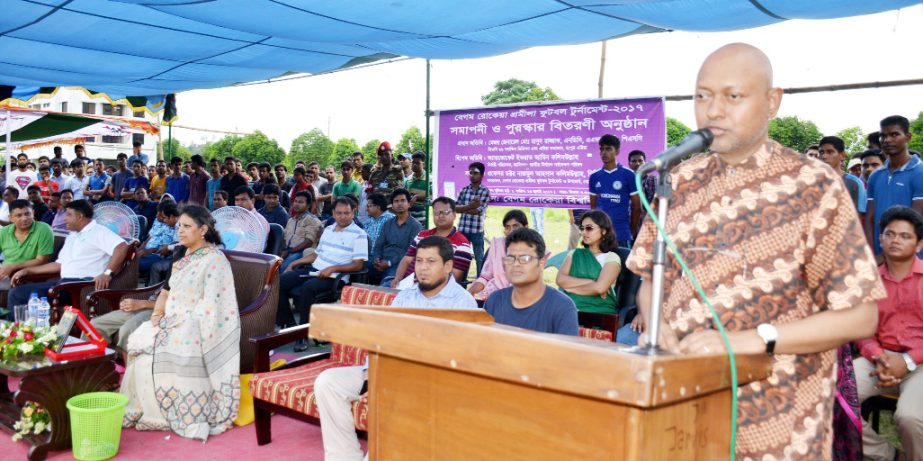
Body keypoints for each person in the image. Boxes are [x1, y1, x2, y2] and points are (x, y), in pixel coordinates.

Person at [625, 43, 883, 459]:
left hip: (778, 426)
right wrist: (659, 324)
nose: (712, 111)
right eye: (702, 95)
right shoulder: (680, 182)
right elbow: (650, 280)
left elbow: (860, 314)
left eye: (733, 96)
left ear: (772, 101)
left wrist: (748, 340)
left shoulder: (813, 185)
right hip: (682, 415)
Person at [315, 235, 477, 461]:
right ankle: (344, 456)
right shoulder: (405, 298)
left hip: (430, 383)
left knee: (396, 394)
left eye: (431, 262)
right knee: (328, 382)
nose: (422, 268)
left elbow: (456, 359)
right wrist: (370, 370)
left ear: (448, 266)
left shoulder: (462, 304)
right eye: (419, 261)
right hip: (387, 371)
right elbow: (385, 339)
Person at [121, 205, 239, 440]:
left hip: (195, 325)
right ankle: (148, 411)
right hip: (172, 320)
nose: (180, 232)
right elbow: (167, 292)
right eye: (179, 227)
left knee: (154, 355)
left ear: (203, 229)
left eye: (186, 226)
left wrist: (181, 323)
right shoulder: (182, 256)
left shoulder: (215, 260)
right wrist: (157, 316)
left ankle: (171, 413)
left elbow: (214, 307)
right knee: (139, 344)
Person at [854, 206, 923, 461]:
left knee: (910, 416)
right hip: (879, 359)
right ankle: (884, 453)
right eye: (890, 234)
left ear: (919, 244)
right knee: (829, 394)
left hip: (920, 363)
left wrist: (906, 362)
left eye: (905, 236)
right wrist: (879, 356)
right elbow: (860, 328)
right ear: (880, 238)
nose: (895, 240)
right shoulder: (869, 280)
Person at [277, 197, 368, 350]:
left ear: (354, 212)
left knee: (308, 288)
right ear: (333, 212)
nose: (342, 216)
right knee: (279, 282)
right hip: (314, 269)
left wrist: (333, 269)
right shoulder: (328, 229)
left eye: (347, 213)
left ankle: (302, 335)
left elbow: (358, 265)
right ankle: (290, 325)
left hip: (334, 277)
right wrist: (295, 262)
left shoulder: (359, 234)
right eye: (339, 213)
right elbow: (316, 255)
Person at [10, 200, 131, 307]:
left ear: (80, 216)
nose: (64, 218)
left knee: (39, 296)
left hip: (82, 285)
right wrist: (27, 270)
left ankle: (41, 331)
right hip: (63, 283)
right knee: (16, 293)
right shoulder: (73, 235)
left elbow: (121, 246)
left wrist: (107, 273)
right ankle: (18, 331)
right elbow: (59, 264)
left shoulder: (98, 231)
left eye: (68, 215)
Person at [485, 228, 579, 335]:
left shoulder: (562, 307)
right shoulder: (494, 301)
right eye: (510, 258)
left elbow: (567, 351)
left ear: (542, 263)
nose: (516, 264)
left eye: (525, 258)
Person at [865, 115, 923, 256]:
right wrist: (872, 255)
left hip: (912, 260)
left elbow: (916, 220)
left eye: (894, 134)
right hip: (880, 259)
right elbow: (870, 219)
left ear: (908, 137)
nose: (887, 140)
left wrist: (886, 257)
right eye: (883, 136)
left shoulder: (919, 172)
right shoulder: (875, 176)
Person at [392, 197, 472, 289]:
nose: (441, 216)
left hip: (433, 290)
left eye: (445, 212)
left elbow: (453, 278)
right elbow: (407, 260)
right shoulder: (422, 235)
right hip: (406, 284)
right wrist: (397, 279)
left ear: (454, 215)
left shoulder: (462, 244)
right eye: (436, 213)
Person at [556, 210, 621, 315]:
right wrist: (592, 282)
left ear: (604, 231)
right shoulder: (574, 254)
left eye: (589, 228)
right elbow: (560, 279)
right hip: (570, 310)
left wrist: (570, 289)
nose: (583, 232)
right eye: (582, 228)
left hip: (600, 313)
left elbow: (600, 288)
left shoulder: (611, 257)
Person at [589, 134, 641, 247]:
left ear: (617, 151)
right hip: (600, 234)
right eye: (601, 149)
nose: (604, 152)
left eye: (608, 149)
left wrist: (630, 231)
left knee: (620, 264)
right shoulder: (594, 176)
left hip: (621, 233)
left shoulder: (629, 175)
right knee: (600, 264)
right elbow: (593, 209)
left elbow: (637, 208)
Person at [469, 210, 528, 301]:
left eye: (515, 226)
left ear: (526, 227)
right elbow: (485, 276)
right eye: (507, 227)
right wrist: (468, 294)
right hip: (490, 293)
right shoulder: (498, 245)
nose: (511, 231)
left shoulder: (532, 249)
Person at [370, 189, 423, 286]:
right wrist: (377, 258)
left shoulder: (416, 226)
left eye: (403, 201)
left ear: (409, 204)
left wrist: (389, 263)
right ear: (392, 205)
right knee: (362, 265)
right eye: (396, 201)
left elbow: (411, 253)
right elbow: (379, 245)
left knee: (386, 286)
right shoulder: (388, 224)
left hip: (398, 265)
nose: (399, 204)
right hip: (381, 262)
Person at [0, 200, 54, 292]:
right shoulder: (4, 232)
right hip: (5, 272)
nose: (24, 218)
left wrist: (12, 267)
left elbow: (42, 260)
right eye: (19, 215)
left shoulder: (44, 229)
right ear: (11, 218)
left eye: (27, 214)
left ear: (33, 213)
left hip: (28, 275)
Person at [454, 162, 491, 276]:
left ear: (482, 175)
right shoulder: (464, 190)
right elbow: (455, 207)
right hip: (463, 229)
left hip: (477, 231)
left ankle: (480, 283)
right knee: (462, 257)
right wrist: (470, 206)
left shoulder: (484, 191)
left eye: (475, 173)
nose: (472, 175)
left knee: (479, 259)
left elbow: (478, 211)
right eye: (470, 173)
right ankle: (462, 283)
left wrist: (463, 208)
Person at [819, 135, 867, 215]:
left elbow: (858, 216)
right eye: (821, 152)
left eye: (830, 152)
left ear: (842, 155)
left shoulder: (854, 183)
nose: (824, 156)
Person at [280, 191, 323, 272]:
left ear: (308, 205)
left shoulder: (313, 220)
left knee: (283, 268)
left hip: (302, 253)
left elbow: (308, 242)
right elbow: (285, 238)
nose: (296, 204)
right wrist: (283, 250)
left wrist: (289, 251)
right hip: (288, 251)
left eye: (300, 202)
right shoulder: (290, 220)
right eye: (295, 201)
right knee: (272, 265)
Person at [137, 201, 179, 275]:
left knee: (136, 264)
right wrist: (141, 248)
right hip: (152, 252)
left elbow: (167, 249)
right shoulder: (167, 223)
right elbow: (151, 236)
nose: (164, 220)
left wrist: (151, 251)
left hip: (160, 256)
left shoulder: (178, 227)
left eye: (164, 217)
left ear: (171, 217)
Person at [405, 152, 429, 227]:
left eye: (417, 163)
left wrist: (417, 196)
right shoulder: (408, 180)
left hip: (424, 218)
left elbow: (431, 197)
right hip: (409, 217)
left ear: (423, 164)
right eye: (413, 162)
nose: (414, 165)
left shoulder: (429, 180)